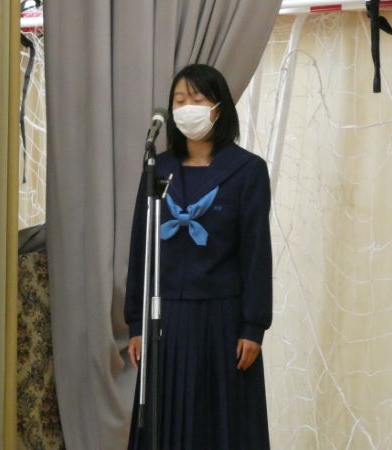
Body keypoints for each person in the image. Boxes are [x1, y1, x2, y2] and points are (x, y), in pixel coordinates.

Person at [124, 63, 272, 450]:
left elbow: (256, 252)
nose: (187, 107)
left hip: (223, 320)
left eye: (197, 99)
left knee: (220, 426)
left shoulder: (247, 170)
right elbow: (141, 246)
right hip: (167, 318)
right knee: (165, 423)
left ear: (218, 108)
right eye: (179, 100)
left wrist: (253, 326)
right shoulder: (159, 168)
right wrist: (136, 322)